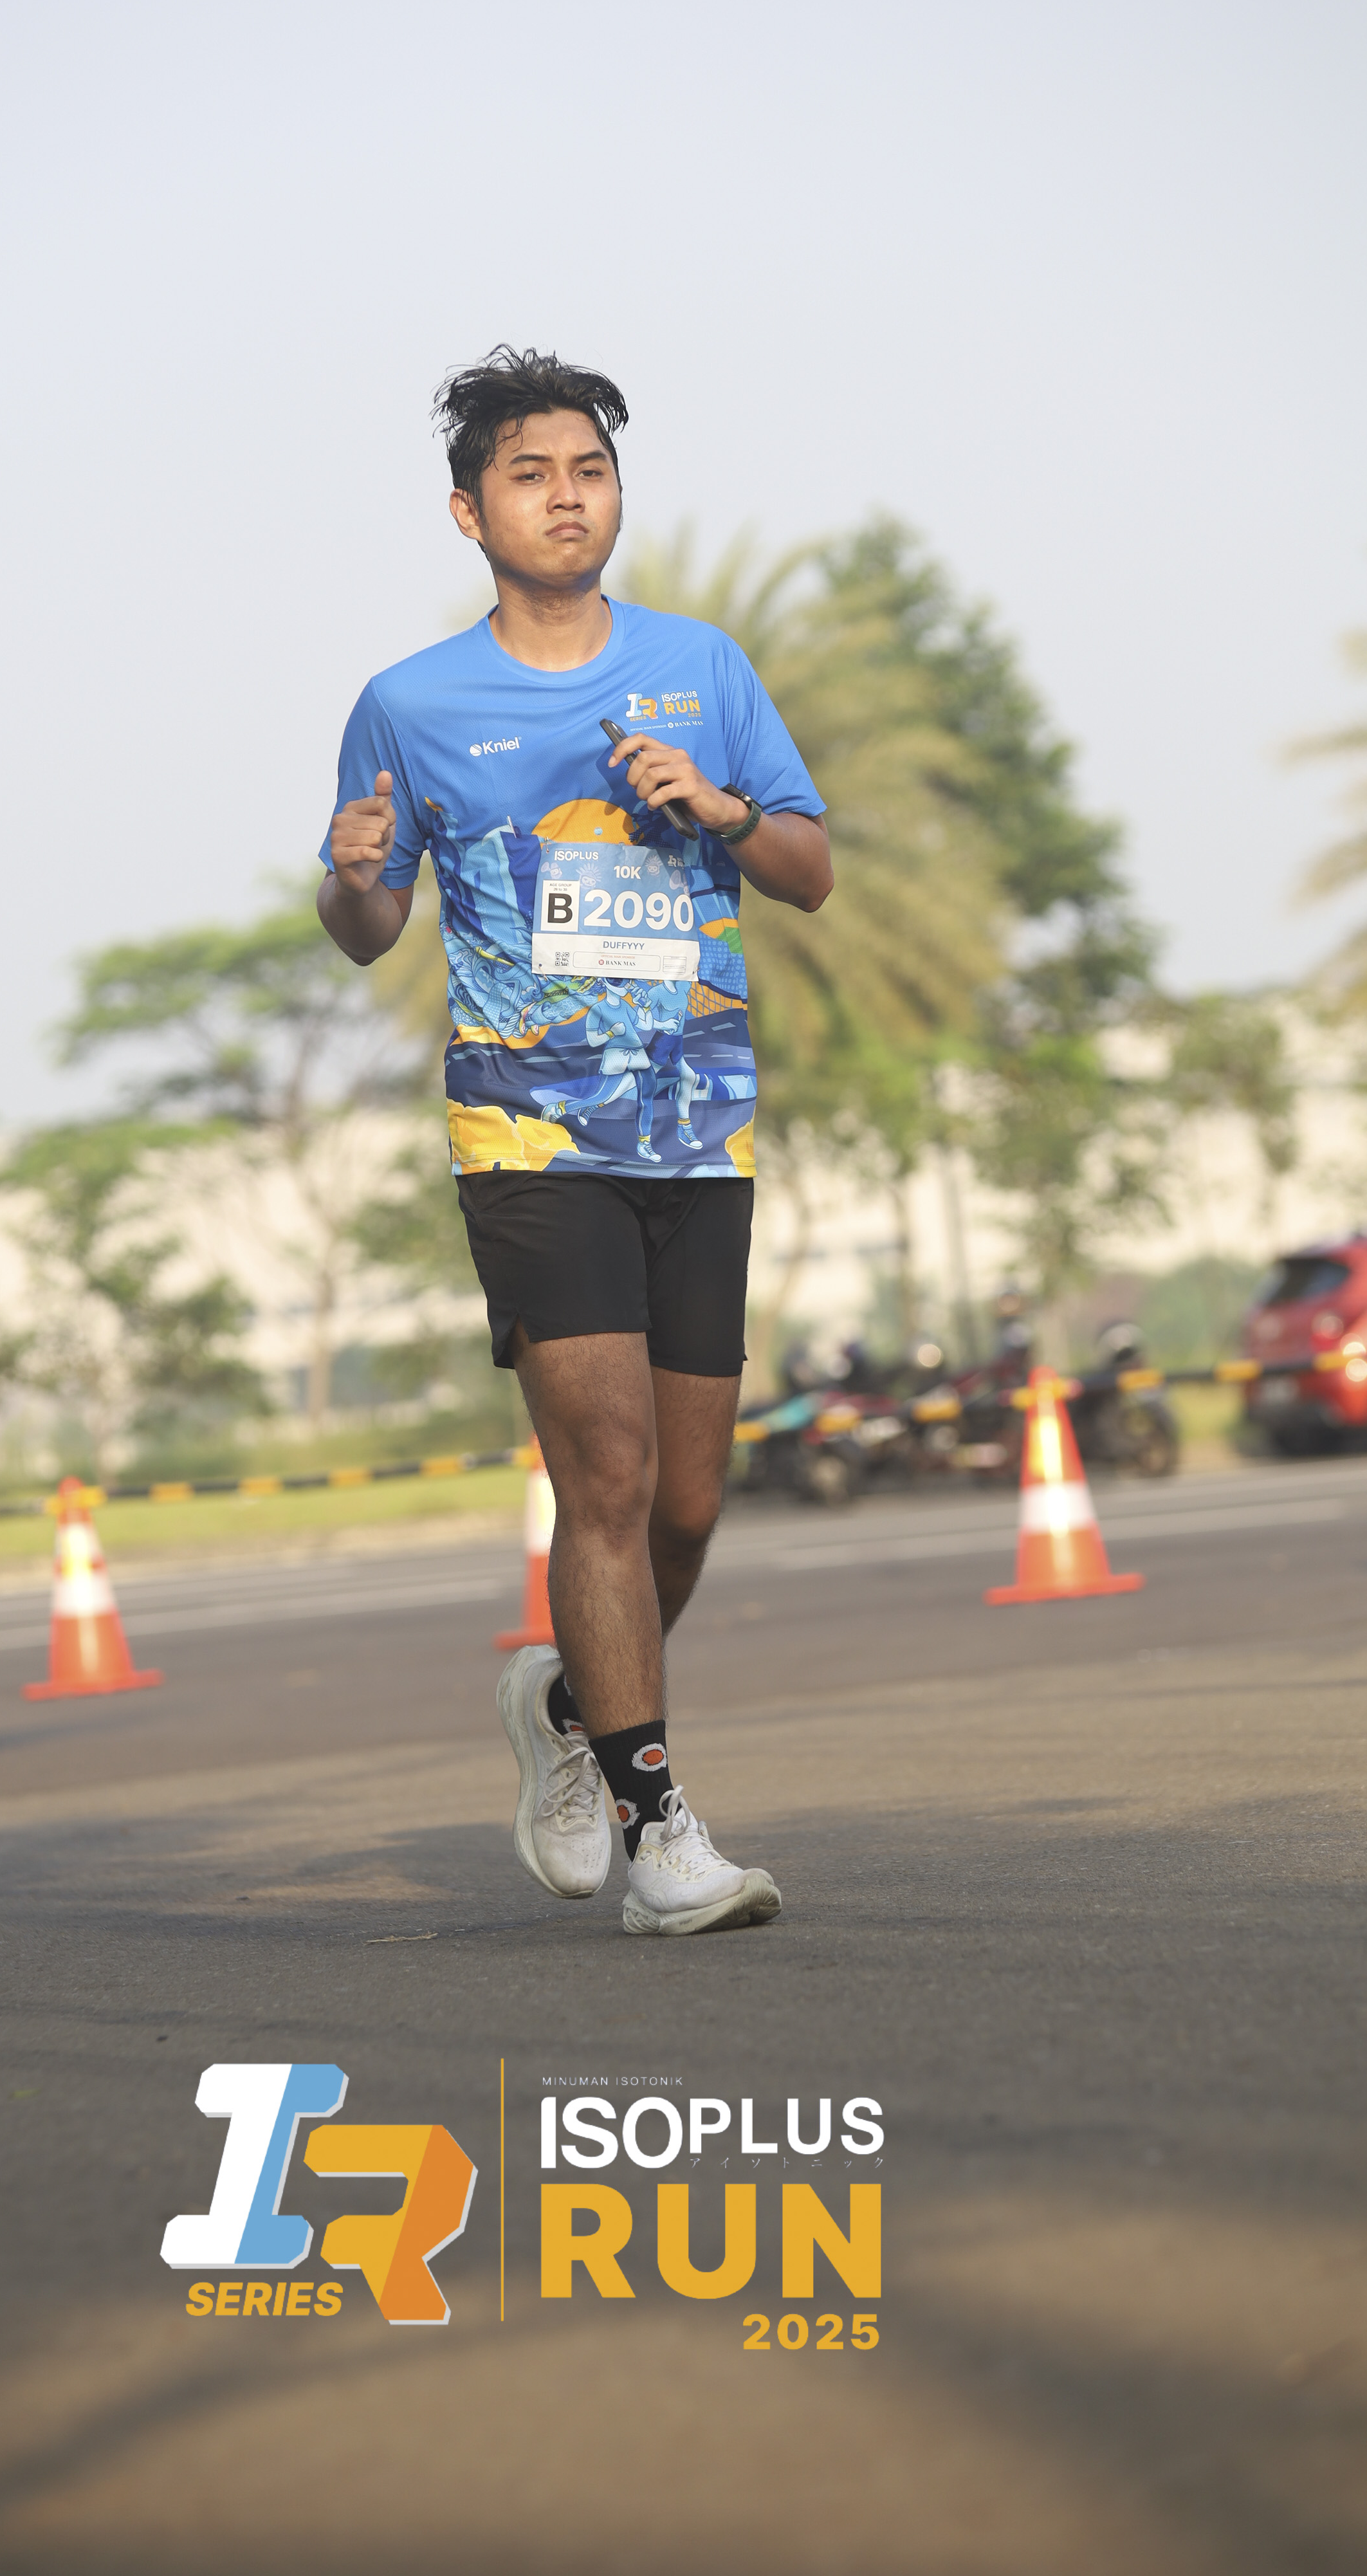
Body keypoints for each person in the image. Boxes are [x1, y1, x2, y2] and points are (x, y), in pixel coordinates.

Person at [317, 347, 833, 1937]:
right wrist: (348, 874)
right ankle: (657, 1829)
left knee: (685, 1504)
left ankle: (565, 1707)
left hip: (694, 1123)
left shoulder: (702, 668)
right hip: (527, 1132)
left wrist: (721, 810)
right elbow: (368, 924)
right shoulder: (408, 704)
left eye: (589, 471)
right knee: (600, 1477)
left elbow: (808, 871)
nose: (565, 498)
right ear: (468, 512)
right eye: (530, 475)